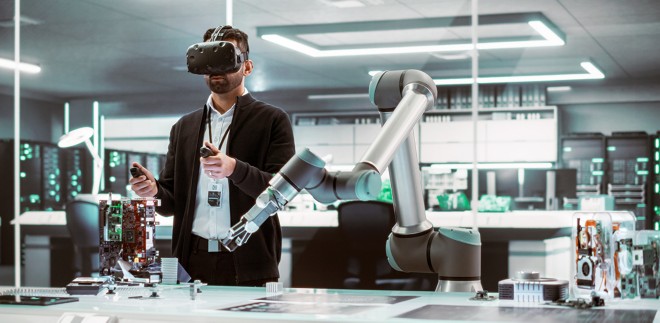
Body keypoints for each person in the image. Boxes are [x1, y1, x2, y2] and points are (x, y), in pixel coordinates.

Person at [129, 26, 295, 286]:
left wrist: (234, 169)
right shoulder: (184, 127)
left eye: (226, 58)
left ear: (247, 67)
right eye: (209, 59)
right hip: (192, 261)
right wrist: (154, 192)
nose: (216, 68)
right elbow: (171, 203)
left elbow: (283, 192)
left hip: (249, 260)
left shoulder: (272, 120)